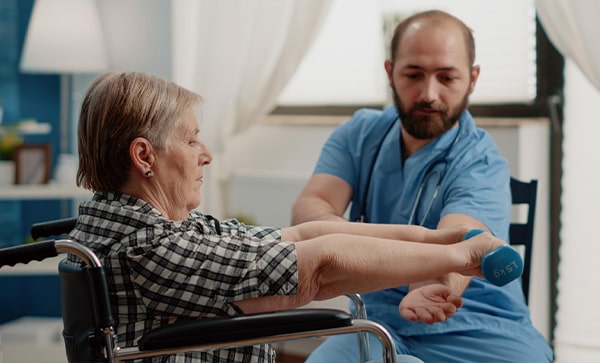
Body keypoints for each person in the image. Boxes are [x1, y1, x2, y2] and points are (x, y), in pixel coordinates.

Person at [65, 71, 512, 363]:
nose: (207, 155)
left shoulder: (139, 224)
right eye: (191, 141)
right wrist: (461, 258)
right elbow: (319, 269)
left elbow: (304, 233)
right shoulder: (154, 249)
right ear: (144, 156)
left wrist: (440, 240)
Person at [291, 10, 553, 363]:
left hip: (477, 328)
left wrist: (432, 290)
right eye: (413, 74)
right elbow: (310, 208)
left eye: (447, 77)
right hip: (378, 321)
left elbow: (462, 245)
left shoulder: (481, 162)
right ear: (390, 72)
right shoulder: (359, 134)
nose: (429, 93)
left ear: (473, 79)